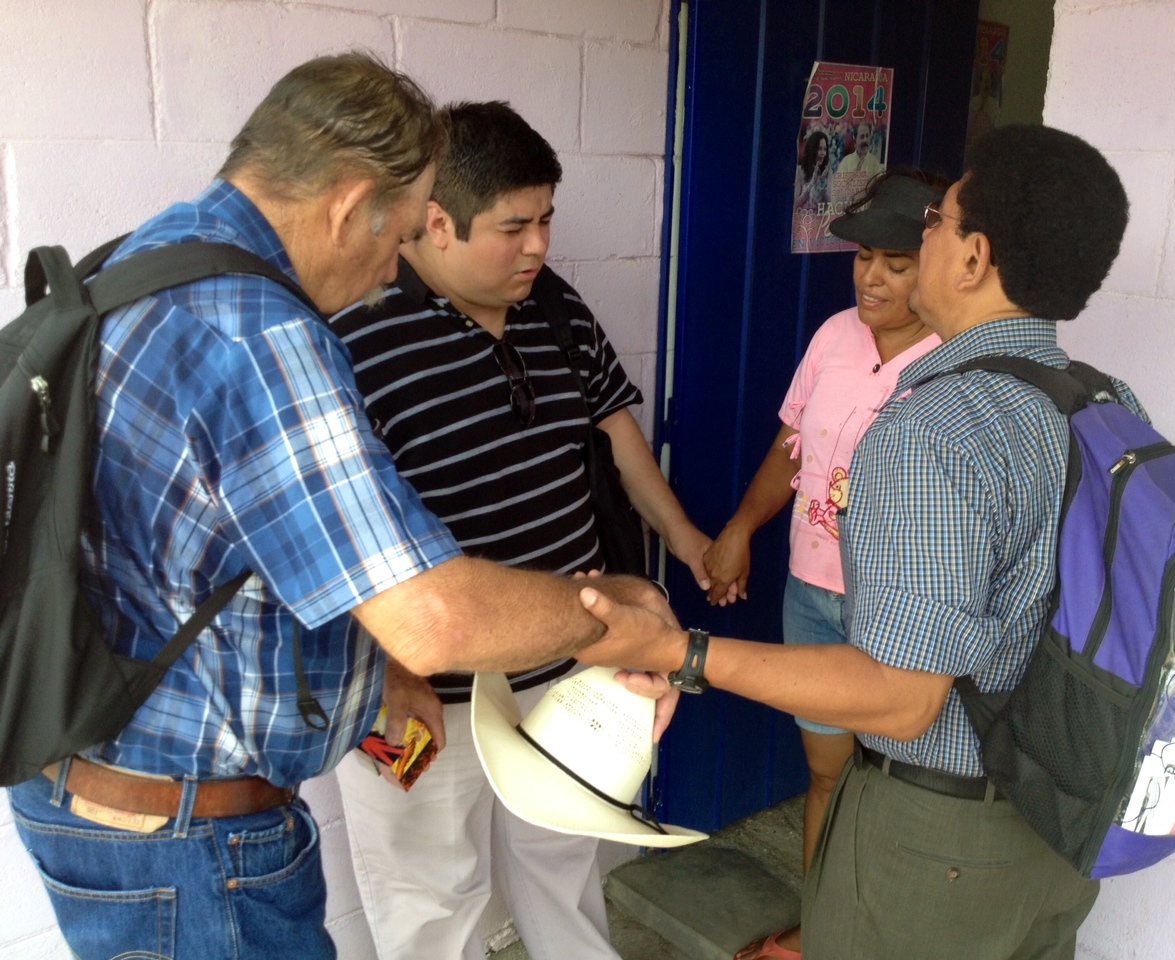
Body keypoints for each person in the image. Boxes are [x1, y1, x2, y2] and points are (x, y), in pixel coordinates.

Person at [7, 54, 671, 960]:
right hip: (191, 843)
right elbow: (435, 618)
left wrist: (372, 668)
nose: (395, 271)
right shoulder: (263, 332)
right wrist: (614, 614)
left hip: (90, 785)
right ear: (350, 205)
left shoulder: (151, 256)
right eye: (399, 236)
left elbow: (221, 542)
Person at [575, 123, 1144, 960]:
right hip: (1058, 821)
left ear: (974, 257)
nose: (921, 241)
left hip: (940, 838)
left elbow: (901, 698)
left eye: (936, 225)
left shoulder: (936, 428)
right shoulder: (1099, 397)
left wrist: (680, 652)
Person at [329, 100, 711, 960]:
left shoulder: (556, 307)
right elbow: (332, 531)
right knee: (432, 903)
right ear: (436, 222)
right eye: (514, 226)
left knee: (565, 865)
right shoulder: (353, 332)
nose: (538, 244)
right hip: (422, 691)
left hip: (564, 667)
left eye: (546, 218)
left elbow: (616, 437)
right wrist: (388, 667)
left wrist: (684, 537)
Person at [704, 170, 946, 960]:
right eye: (864, 257)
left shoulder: (957, 367)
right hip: (813, 595)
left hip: (898, 616)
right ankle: (822, 932)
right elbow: (791, 446)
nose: (872, 276)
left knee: (906, 794)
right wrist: (741, 525)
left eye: (898, 263)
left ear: (940, 264)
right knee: (829, 779)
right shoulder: (833, 337)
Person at [793, 130, 831, 212]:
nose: (823, 153)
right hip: (804, 220)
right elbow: (795, 204)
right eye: (820, 149)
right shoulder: (800, 170)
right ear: (812, 149)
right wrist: (811, 184)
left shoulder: (828, 172)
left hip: (820, 221)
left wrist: (822, 183)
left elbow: (828, 205)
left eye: (825, 149)